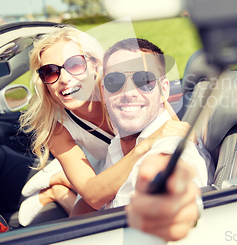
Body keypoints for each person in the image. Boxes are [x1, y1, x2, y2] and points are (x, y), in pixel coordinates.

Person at [18, 26, 197, 234]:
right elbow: (93, 195)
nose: (65, 79)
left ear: (95, 65)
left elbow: (175, 132)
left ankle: (61, 184)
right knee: (78, 224)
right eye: (50, 72)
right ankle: (56, 187)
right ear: (44, 83)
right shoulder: (56, 127)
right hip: (100, 165)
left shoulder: (119, 87)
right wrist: (145, 146)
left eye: (75, 65)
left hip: (114, 163)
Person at [72, 38, 209, 216]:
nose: (129, 93)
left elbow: (173, 191)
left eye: (144, 80)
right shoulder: (117, 146)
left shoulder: (171, 149)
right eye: (115, 81)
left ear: (164, 90)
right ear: (104, 91)